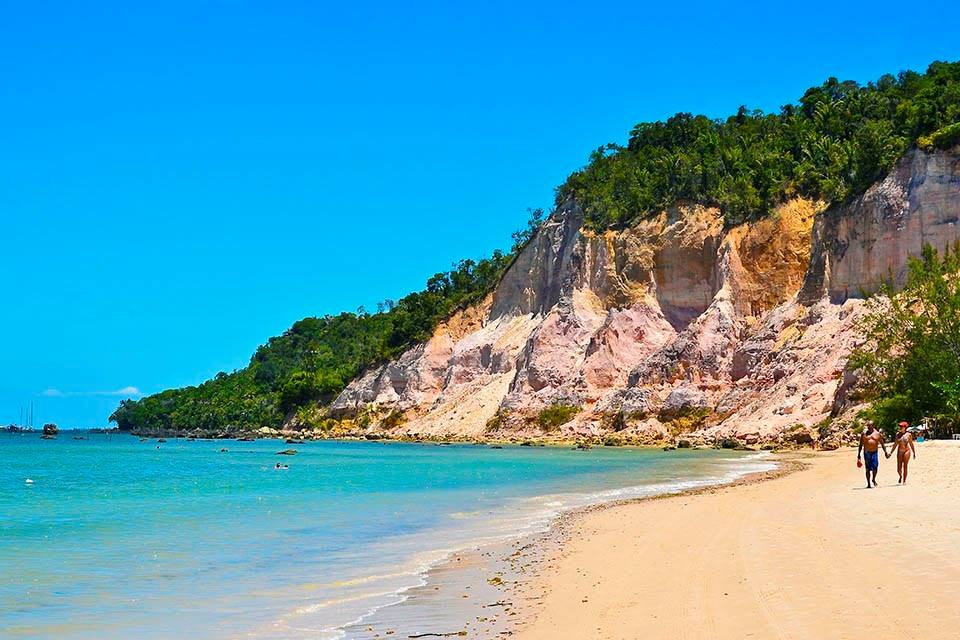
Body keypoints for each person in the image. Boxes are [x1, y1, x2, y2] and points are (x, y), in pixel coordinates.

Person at [857, 421, 887, 488]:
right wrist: (858, 455)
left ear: (873, 426)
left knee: (875, 467)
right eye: (868, 426)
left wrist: (885, 452)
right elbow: (860, 445)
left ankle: (873, 479)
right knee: (867, 469)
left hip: (874, 452)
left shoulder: (877, 434)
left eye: (870, 425)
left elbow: (882, 443)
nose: (869, 427)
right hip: (867, 453)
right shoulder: (864, 434)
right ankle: (868, 483)